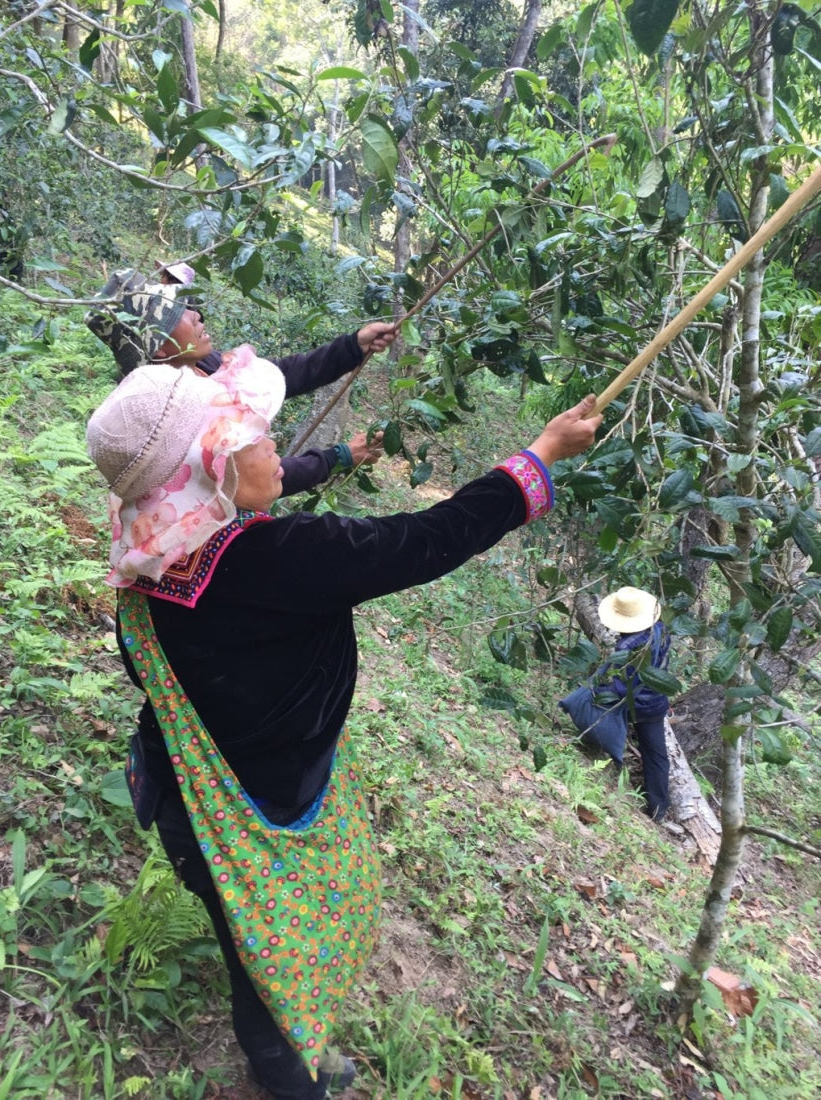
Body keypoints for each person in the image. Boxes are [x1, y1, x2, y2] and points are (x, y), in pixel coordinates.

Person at [85, 303, 601, 1098]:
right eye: (250, 435)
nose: (269, 447)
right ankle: (289, 1070)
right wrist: (537, 457)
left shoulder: (144, 574)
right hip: (256, 819)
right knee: (263, 956)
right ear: (214, 465)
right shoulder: (281, 559)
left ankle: (293, 1034)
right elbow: (426, 541)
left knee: (262, 939)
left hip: (184, 800)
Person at [86, 267, 393, 497]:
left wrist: (353, 347)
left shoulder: (199, 365)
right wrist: (337, 458)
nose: (197, 316)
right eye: (179, 313)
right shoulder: (163, 415)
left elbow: (278, 374)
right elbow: (249, 476)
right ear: (160, 346)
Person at [595, 586, 672, 822]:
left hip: (633, 704)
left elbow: (624, 686)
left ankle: (598, 758)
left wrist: (602, 690)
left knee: (592, 707)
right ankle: (658, 809)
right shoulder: (662, 631)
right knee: (656, 755)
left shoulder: (628, 647)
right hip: (657, 702)